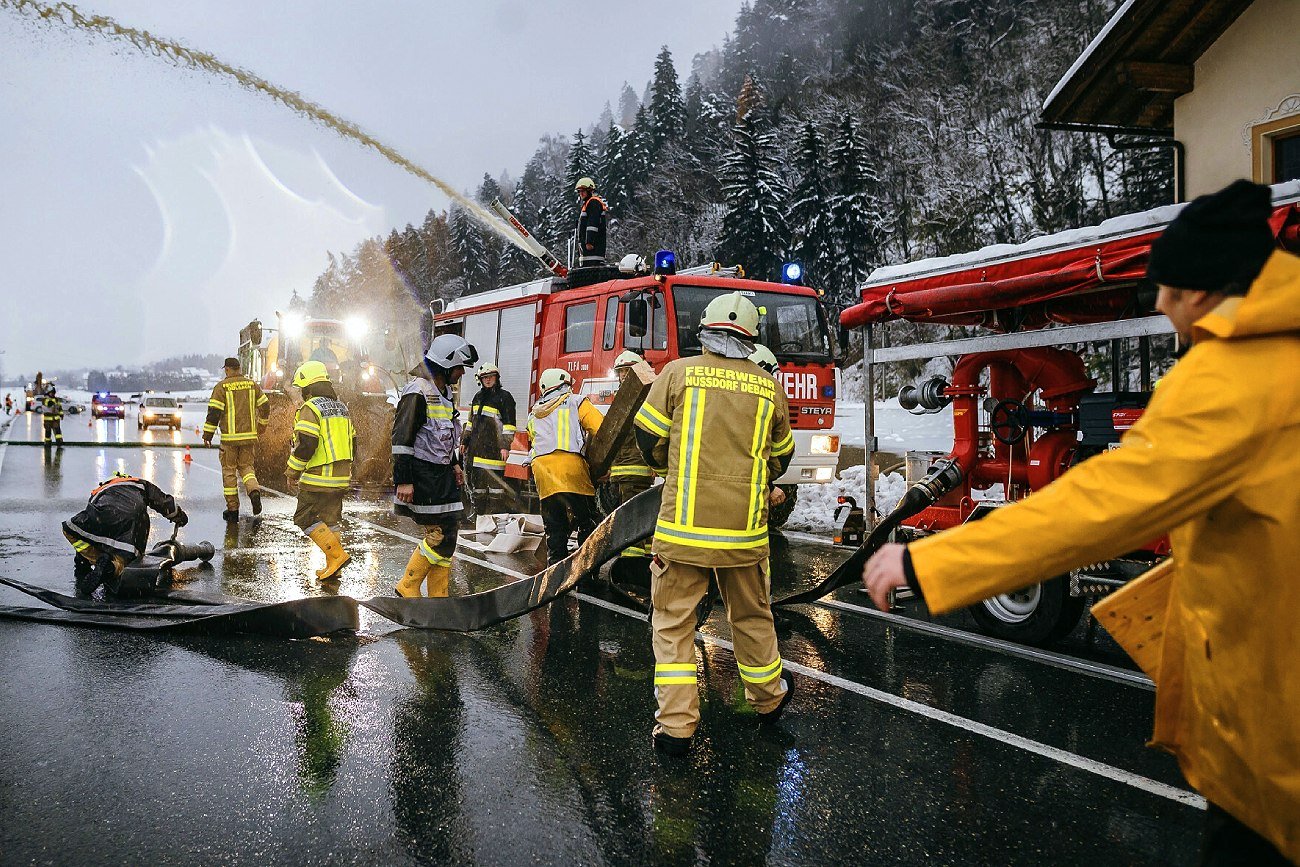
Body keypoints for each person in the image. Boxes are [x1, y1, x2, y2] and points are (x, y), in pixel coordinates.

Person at [862, 180, 1300, 865]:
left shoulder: (1232, 379)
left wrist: (931, 561)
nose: (1156, 302)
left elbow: (1093, 504)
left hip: (1275, 751)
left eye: (1168, 288)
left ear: (1206, 289)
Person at [633, 291, 797, 756]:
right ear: (751, 338)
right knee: (752, 617)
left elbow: (648, 439)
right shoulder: (769, 387)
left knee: (672, 625)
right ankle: (768, 700)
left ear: (704, 330)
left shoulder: (676, 374)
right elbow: (781, 458)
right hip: (744, 536)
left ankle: (677, 728)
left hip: (682, 535)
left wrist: (678, 467)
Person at [393, 334, 478, 598]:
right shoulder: (417, 392)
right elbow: (401, 440)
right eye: (458, 367)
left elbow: (443, 436)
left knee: (450, 532)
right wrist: (404, 480)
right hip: (422, 473)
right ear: (444, 364)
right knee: (440, 533)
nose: (461, 373)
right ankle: (407, 585)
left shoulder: (444, 393)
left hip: (441, 473)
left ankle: (438, 598)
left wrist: (454, 464)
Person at [285, 361, 356, 583]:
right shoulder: (341, 407)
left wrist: (292, 472)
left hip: (317, 477)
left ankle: (337, 556)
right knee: (331, 519)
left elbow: (306, 445)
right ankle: (333, 565)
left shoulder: (311, 408)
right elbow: (354, 441)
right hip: (340, 477)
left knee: (304, 518)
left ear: (307, 386)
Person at [64, 470, 188, 596]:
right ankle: (110, 568)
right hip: (135, 521)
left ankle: (99, 560)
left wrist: (82, 562)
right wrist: (179, 516)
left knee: (70, 529)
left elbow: (89, 532)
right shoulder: (139, 483)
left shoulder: (99, 491)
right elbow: (164, 503)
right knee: (127, 562)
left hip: (105, 515)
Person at [526, 368, 603, 565]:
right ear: (566, 385)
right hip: (572, 471)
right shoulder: (576, 401)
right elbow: (600, 427)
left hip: (544, 474)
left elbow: (534, 442)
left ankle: (556, 575)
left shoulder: (534, 413)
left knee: (555, 527)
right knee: (587, 523)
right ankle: (586, 571)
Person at [607, 350, 656, 578]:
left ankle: (631, 567)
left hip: (632, 468)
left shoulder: (636, 399)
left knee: (632, 516)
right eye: (621, 372)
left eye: (627, 371)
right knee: (641, 515)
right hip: (627, 469)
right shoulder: (636, 398)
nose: (624, 376)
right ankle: (642, 558)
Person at [203, 357, 269, 522]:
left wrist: (207, 435)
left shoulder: (221, 387)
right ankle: (254, 492)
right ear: (239, 368)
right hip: (248, 438)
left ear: (227, 369)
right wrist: (261, 425)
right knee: (247, 469)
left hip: (229, 440)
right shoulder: (252, 385)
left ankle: (233, 510)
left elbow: (214, 414)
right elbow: (265, 406)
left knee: (229, 472)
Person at [462, 363, 518, 516]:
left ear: (496, 378)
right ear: (480, 379)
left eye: (490, 377)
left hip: (494, 452)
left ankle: (495, 518)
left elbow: (509, 425)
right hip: (476, 451)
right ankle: (479, 518)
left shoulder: (504, 397)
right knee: (478, 489)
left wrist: (505, 446)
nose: (487, 380)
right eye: (484, 377)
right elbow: (470, 423)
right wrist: (464, 441)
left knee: (496, 490)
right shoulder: (477, 397)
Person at [574, 177, 607, 267]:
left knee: (591, 271)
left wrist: (589, 241)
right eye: (579, 191)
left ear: (590, 190)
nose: (581, 193)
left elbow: (592, 224)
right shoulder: (588, 204)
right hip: (587, 251)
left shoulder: (593, 203)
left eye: (583, 191)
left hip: (593, 249)